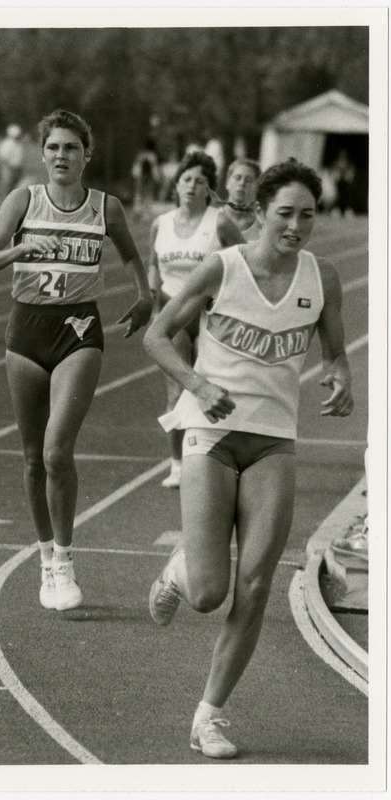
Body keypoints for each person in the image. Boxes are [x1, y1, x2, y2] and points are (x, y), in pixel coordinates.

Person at [144, 158, 354, 758]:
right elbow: (159, 336)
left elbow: (335, 354)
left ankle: (208, 716)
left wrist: (341, 379)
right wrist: (198, 385)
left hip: (273, 441)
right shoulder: (222, 268)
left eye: (306, 215)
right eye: (284, 213)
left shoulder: (323, 278)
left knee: (256, 585)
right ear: (259, 213)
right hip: (211, 436)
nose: (295, 226)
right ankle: (181, 572)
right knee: (210, 593)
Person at [0, 109, 152, 611]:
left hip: (78, 333)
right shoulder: (22, 200)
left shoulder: (105, 207)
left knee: (56, 453)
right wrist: (22, 249)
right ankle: (46, 559)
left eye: (71, 148)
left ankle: (66, 561)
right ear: (42, 153)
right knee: (33, 459)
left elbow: (133, 256)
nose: (60, 157)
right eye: (52, 148)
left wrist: (144, 296)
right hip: (26, 332)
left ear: (86, 154)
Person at [148, 151, 245, 489]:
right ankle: (177, 465)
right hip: (173, 316)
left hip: (211, 317)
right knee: (176, 392)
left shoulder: (218, 223)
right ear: (176, 185)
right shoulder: (161, 223)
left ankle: (221, 461)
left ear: (209, 190)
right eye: (186, 179)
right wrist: (149, 289)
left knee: (217, 389)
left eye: (200, 181)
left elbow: (244, 259)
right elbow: (152, 262)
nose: (192, 186)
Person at [220, 158, 262, 240]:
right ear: (227, 183)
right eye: (237, 178)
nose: (242, 183)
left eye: (249, 180)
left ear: (257, 188)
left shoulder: (262, 228)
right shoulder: (210, 220)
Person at [131, 137, 161, 221]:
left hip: (140, 177)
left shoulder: (141, 154)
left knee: (138, 194)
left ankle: (137, 211)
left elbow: (136, 166)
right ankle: (146, 215)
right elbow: (154, 168)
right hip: (149, 178)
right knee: (148, 195)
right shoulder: (152, 155)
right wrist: (157, 178)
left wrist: (135, 175)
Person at [0, 124, 26, 197]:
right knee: (7, 186)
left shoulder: (19, 144)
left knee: (16, 187)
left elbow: (20, 157)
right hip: (9, 168)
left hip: (18, 168)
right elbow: (4, 157)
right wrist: (8, 168)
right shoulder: (6, 144)